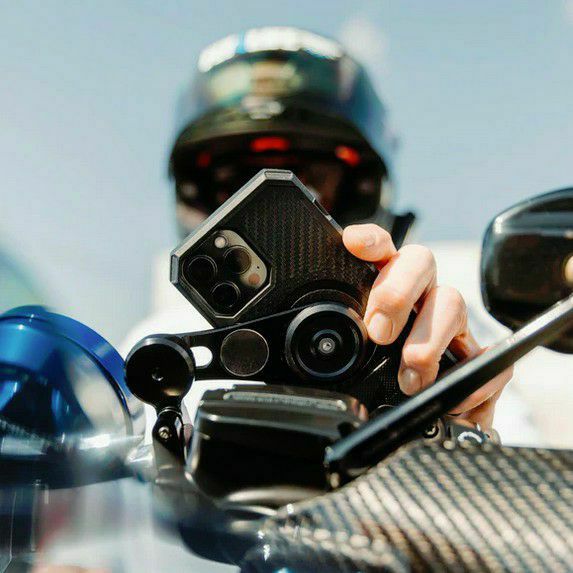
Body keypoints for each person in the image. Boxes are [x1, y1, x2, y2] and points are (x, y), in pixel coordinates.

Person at [123, 27, 534, 442]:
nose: (274, 206)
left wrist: (454, 425)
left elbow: (525, 462)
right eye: (239, 182)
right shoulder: (156, 349)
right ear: (197, 199)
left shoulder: (436, 331)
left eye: (311, 182)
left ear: (363, 192)